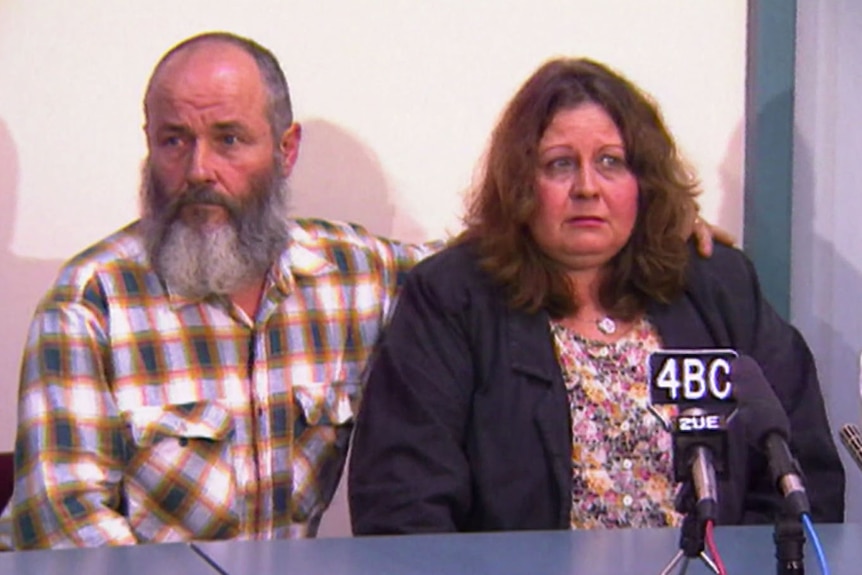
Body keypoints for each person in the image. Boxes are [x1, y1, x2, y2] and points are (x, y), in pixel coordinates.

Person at [1, 35, 722, 549]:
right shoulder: (89, 304)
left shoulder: (357, 275)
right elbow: (69, 536)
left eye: (229, 139)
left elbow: (501, 262)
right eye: (173, 140)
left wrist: (651, 221)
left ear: (285, 152)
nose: (199, 169)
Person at [347, 57, 845, 534]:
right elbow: (402, 506)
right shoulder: (451, 300)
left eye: (611, 162)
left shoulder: (720, 287)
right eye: (560, 164)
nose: (587, 187)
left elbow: (803, 482)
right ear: (522, 183)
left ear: (643, 183)